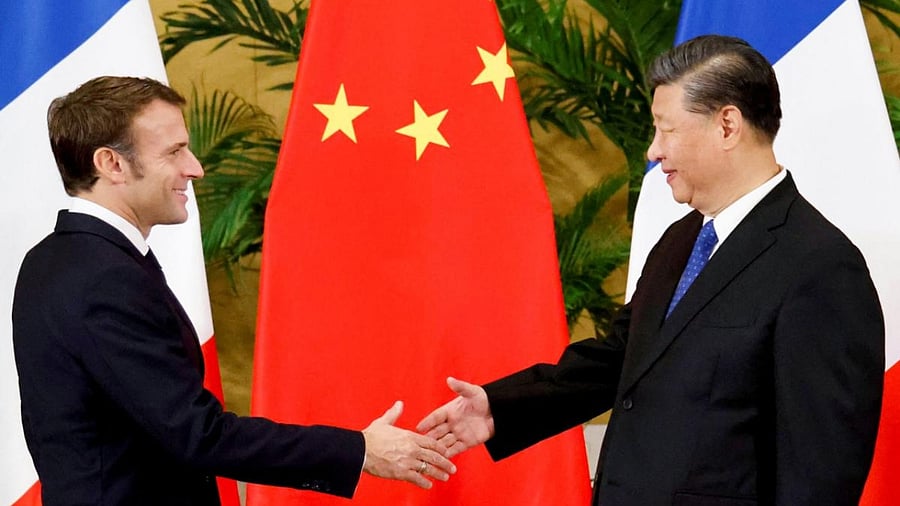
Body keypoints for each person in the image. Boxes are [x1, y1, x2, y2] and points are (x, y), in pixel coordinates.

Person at [417, 35, 884, 506]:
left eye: (666, 130)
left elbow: (821, 473)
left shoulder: (821, 267)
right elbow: (622, 361)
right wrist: (501, 408)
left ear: (727, 126)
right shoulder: (680, 241)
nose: (652, 151)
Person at [12, 76, 455, 506]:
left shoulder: (50, 262)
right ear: (111, 164)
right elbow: (196, 434)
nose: (196, 168)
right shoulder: (103, 276)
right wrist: (359, 451)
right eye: (175, 151)